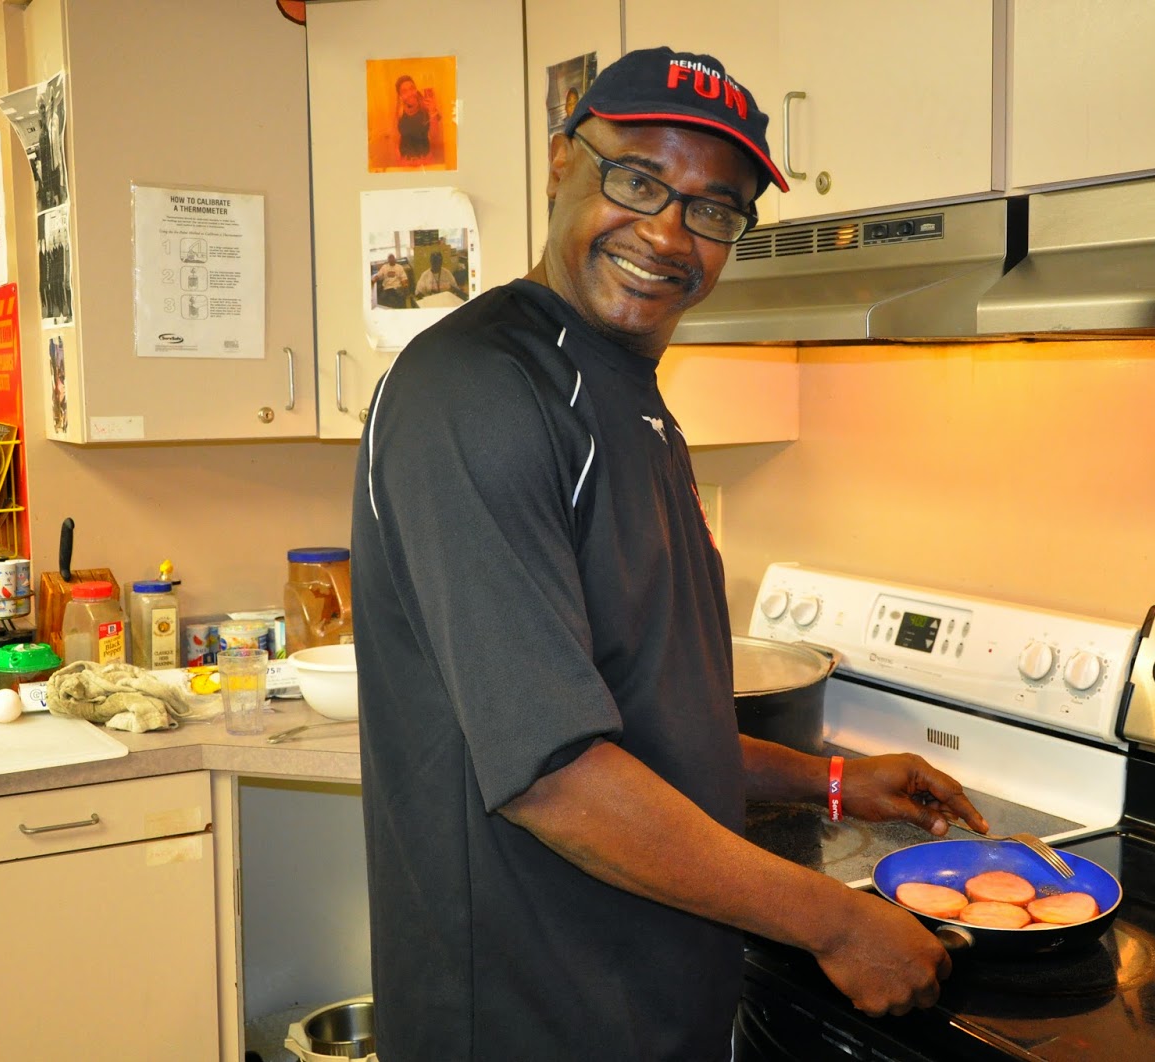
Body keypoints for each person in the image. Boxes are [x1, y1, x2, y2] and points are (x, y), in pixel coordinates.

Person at [351, 46, 989, 1062]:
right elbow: (554, 775)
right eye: (638, 180)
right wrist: (833, 919)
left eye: (713, 208)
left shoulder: (624, 394)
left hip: (638, 999)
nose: (666, 233)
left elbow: (641, 724)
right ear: (561, 162)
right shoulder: (475, 392)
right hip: (530, 1021)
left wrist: (828, 783)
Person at [394, 74, 432, 161]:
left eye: (412, 88)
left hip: (424, 159)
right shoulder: (399, 111)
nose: (410, 93)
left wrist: (433, 111)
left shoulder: (426, 107)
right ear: (400, 96)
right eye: (404, 91)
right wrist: (397, 152)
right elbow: (399, 135)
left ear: (416, 89)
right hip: (405, 160)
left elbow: (435, 136)